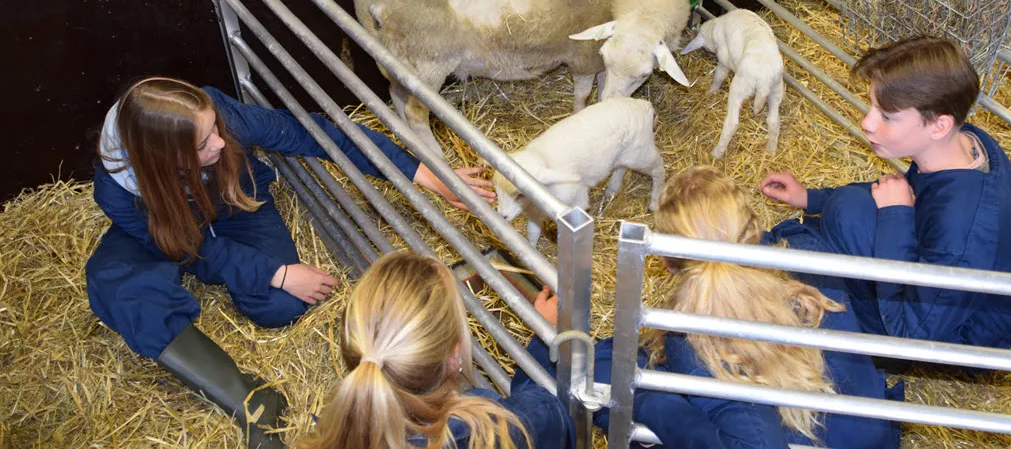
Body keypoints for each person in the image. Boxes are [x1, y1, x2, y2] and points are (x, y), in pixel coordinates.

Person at [85, 77, 495, 449]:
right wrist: (277, 273)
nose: (221, 143)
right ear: (161, 160)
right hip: (167, 227)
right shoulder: (117, 190)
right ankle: (246, 400)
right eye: (203, 144)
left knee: (280, 305)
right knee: (116, 284)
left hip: (234, 203)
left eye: (215, 129)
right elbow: (188, 249)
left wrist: (426, 176)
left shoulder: (215, 118)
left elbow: (313, 132)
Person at [532, 167, 901, 449]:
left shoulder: (693, 340)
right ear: (752, 227)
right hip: (877, 434)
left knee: (631, 372)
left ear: (666, 260)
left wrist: (640, 397)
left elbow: (754, 442)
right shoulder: (808, 253)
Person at [759, 36, 1011, 349]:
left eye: (887, 116)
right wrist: (811, 198)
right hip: (942, 285)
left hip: (959, 333)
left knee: (848, 216)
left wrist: (896, 216)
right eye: (872, 107)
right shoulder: (962, 144)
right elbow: (912, 195)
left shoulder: (961, 225)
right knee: (849, 208)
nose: (867, 122)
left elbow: (911, 332)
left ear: (939, 126)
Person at [301, 251, 575, 449]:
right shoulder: (487, 428)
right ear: (455, 355)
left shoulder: (339, 426)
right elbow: (550, 410)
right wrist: (544, 337)